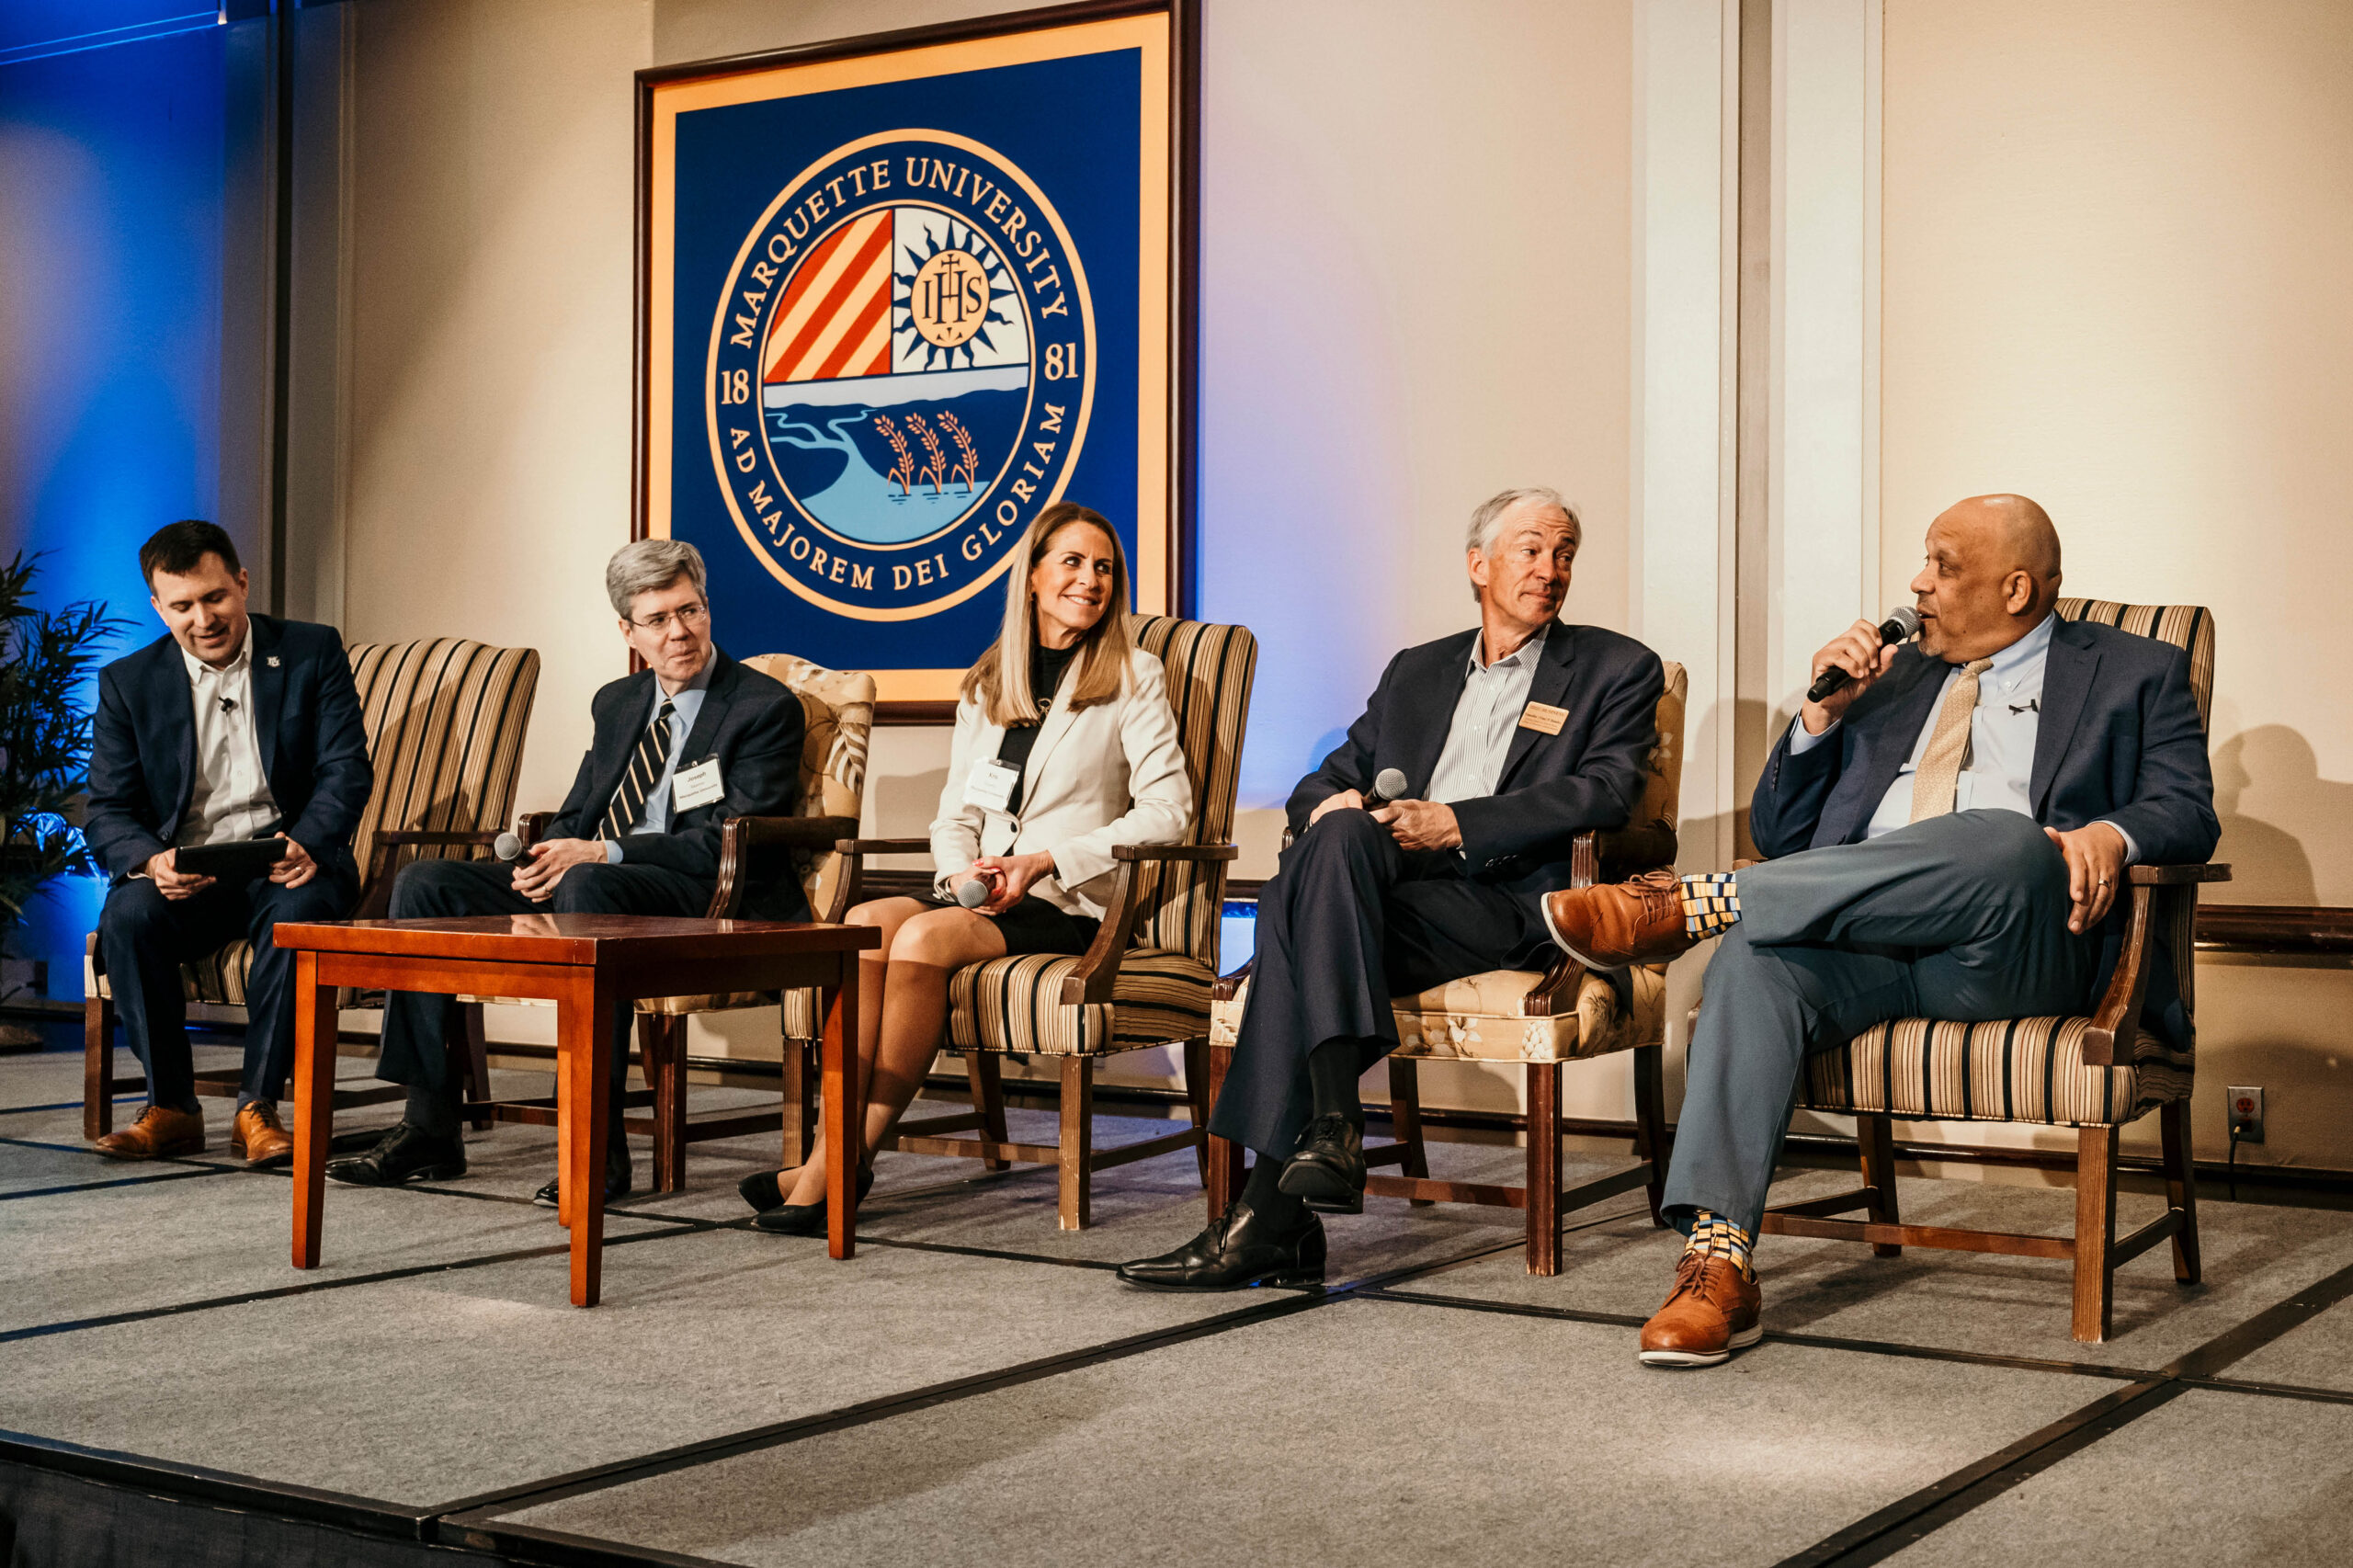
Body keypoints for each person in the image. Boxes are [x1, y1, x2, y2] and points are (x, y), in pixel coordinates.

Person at [1540, 494, 2218, 1368]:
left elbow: (2187, 810)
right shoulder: (1894, 676)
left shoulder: (2135, 669)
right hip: (1872, 950)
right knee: (1755, 954)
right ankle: (1717, 1262)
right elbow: (1785, 837)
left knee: (2007, 838)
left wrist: (2108, 834)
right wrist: (1820, 719)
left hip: (2020, 949)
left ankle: (1696, 903)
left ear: (2016, 588)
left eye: (1941, 565)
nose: (1916, 582)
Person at [1118, 488, 1666, 1290]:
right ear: (1479, 566)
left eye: (1565, 553)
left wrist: (1459, 823)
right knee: (1334, 836)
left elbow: (1608, 792)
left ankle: (1273, 1210)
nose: (1551, 570)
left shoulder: (1616, 667)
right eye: (1531, 550)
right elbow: (1325, 779)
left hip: (1510, 902)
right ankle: (1322, 1138)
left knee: (1292, 917)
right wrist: (1325, 803)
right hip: (1396, 893)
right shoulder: (1417, 670)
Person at [739, 501, 1192, 1235]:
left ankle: (836, 1166)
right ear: (1035, 577)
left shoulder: (1134, 675)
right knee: (862, 924)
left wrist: (1042, 861)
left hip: (1068, 898)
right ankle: (833, 1161)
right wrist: (958, 880)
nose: (1090, 580)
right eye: (1073, 563)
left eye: (1104, 567)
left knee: (920, 941)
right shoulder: (988, 682)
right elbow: (955, 814)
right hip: (980, 892)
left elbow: (1170, 813)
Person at [327, 538, 806, 1205]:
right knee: (424, 883)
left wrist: (598, 855)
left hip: (703, 893)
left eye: (690, 611)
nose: (680, 632)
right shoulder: (617, 701)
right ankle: (429, 1124)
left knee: (588, 883)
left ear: (706, 606)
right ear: (628, 631)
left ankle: (597, 1153)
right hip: (598, 880)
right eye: (659, 619)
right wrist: (543, 859)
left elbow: (725, 843)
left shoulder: (762, 707)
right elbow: (581, 812)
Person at [85, 520, 372, 1165]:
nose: (202, 618)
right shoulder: (128, 684)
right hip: (192, 872)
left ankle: (257, 1108)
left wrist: (308, 840)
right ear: (158, 607)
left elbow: (345, 769)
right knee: (129, 915)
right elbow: (106, 809)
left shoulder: (309, 651)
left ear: (241, 584)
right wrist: (153, 861)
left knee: (298, 919)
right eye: (182, 606)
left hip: (290, 862)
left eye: (214, 597)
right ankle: (172, 1108)